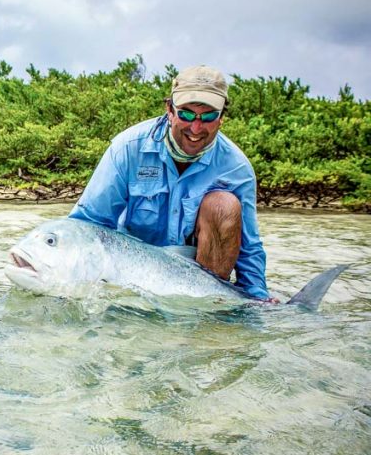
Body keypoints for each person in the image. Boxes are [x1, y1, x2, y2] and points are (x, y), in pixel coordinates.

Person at [69, 65, 271, 300]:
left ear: (221, 118)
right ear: (170, 110)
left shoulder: (236, 167)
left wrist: (258, 297)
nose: (196, 128)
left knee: (223, 205)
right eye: (186, 113)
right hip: (133, 269)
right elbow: (88, 223)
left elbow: (249, 246)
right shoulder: (128, 148)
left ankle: (210, 307)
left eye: (207, 116)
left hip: (200, 271)